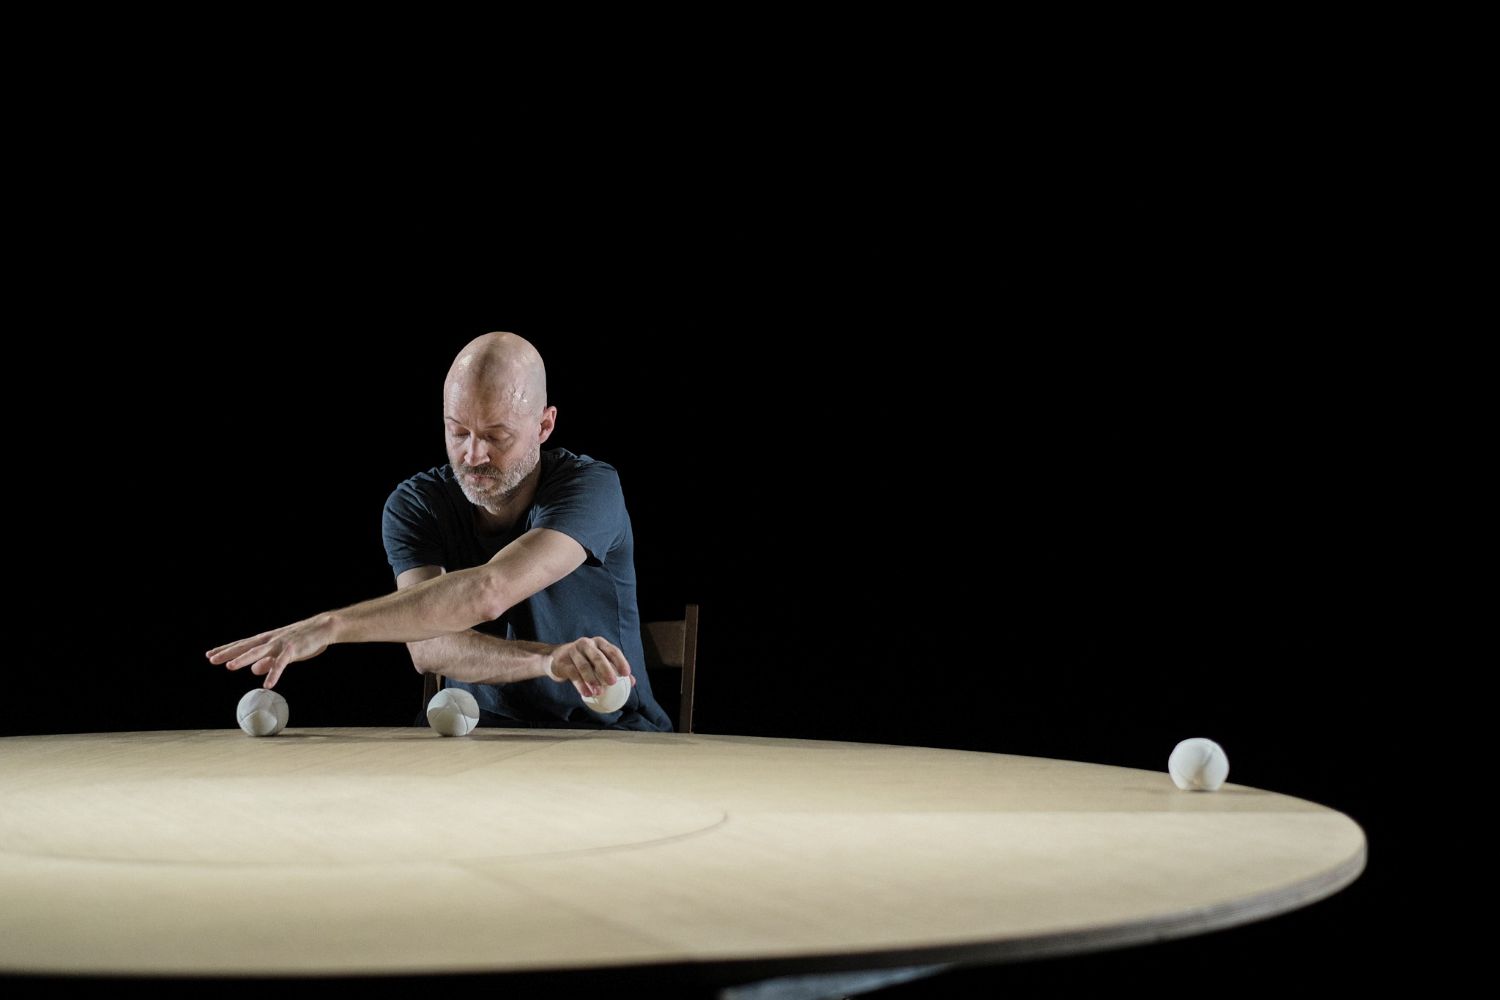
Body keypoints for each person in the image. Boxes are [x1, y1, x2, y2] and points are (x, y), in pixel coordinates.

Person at [206, 331, 673, 732]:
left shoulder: (591, 488)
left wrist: (332, 626)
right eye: (458, 431)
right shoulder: (416, 504)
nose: (473, 455)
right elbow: (428, 645)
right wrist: (546, 660)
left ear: (544, 425)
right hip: (474, 736)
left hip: (607, 733)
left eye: (496, 436)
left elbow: (490, 591)